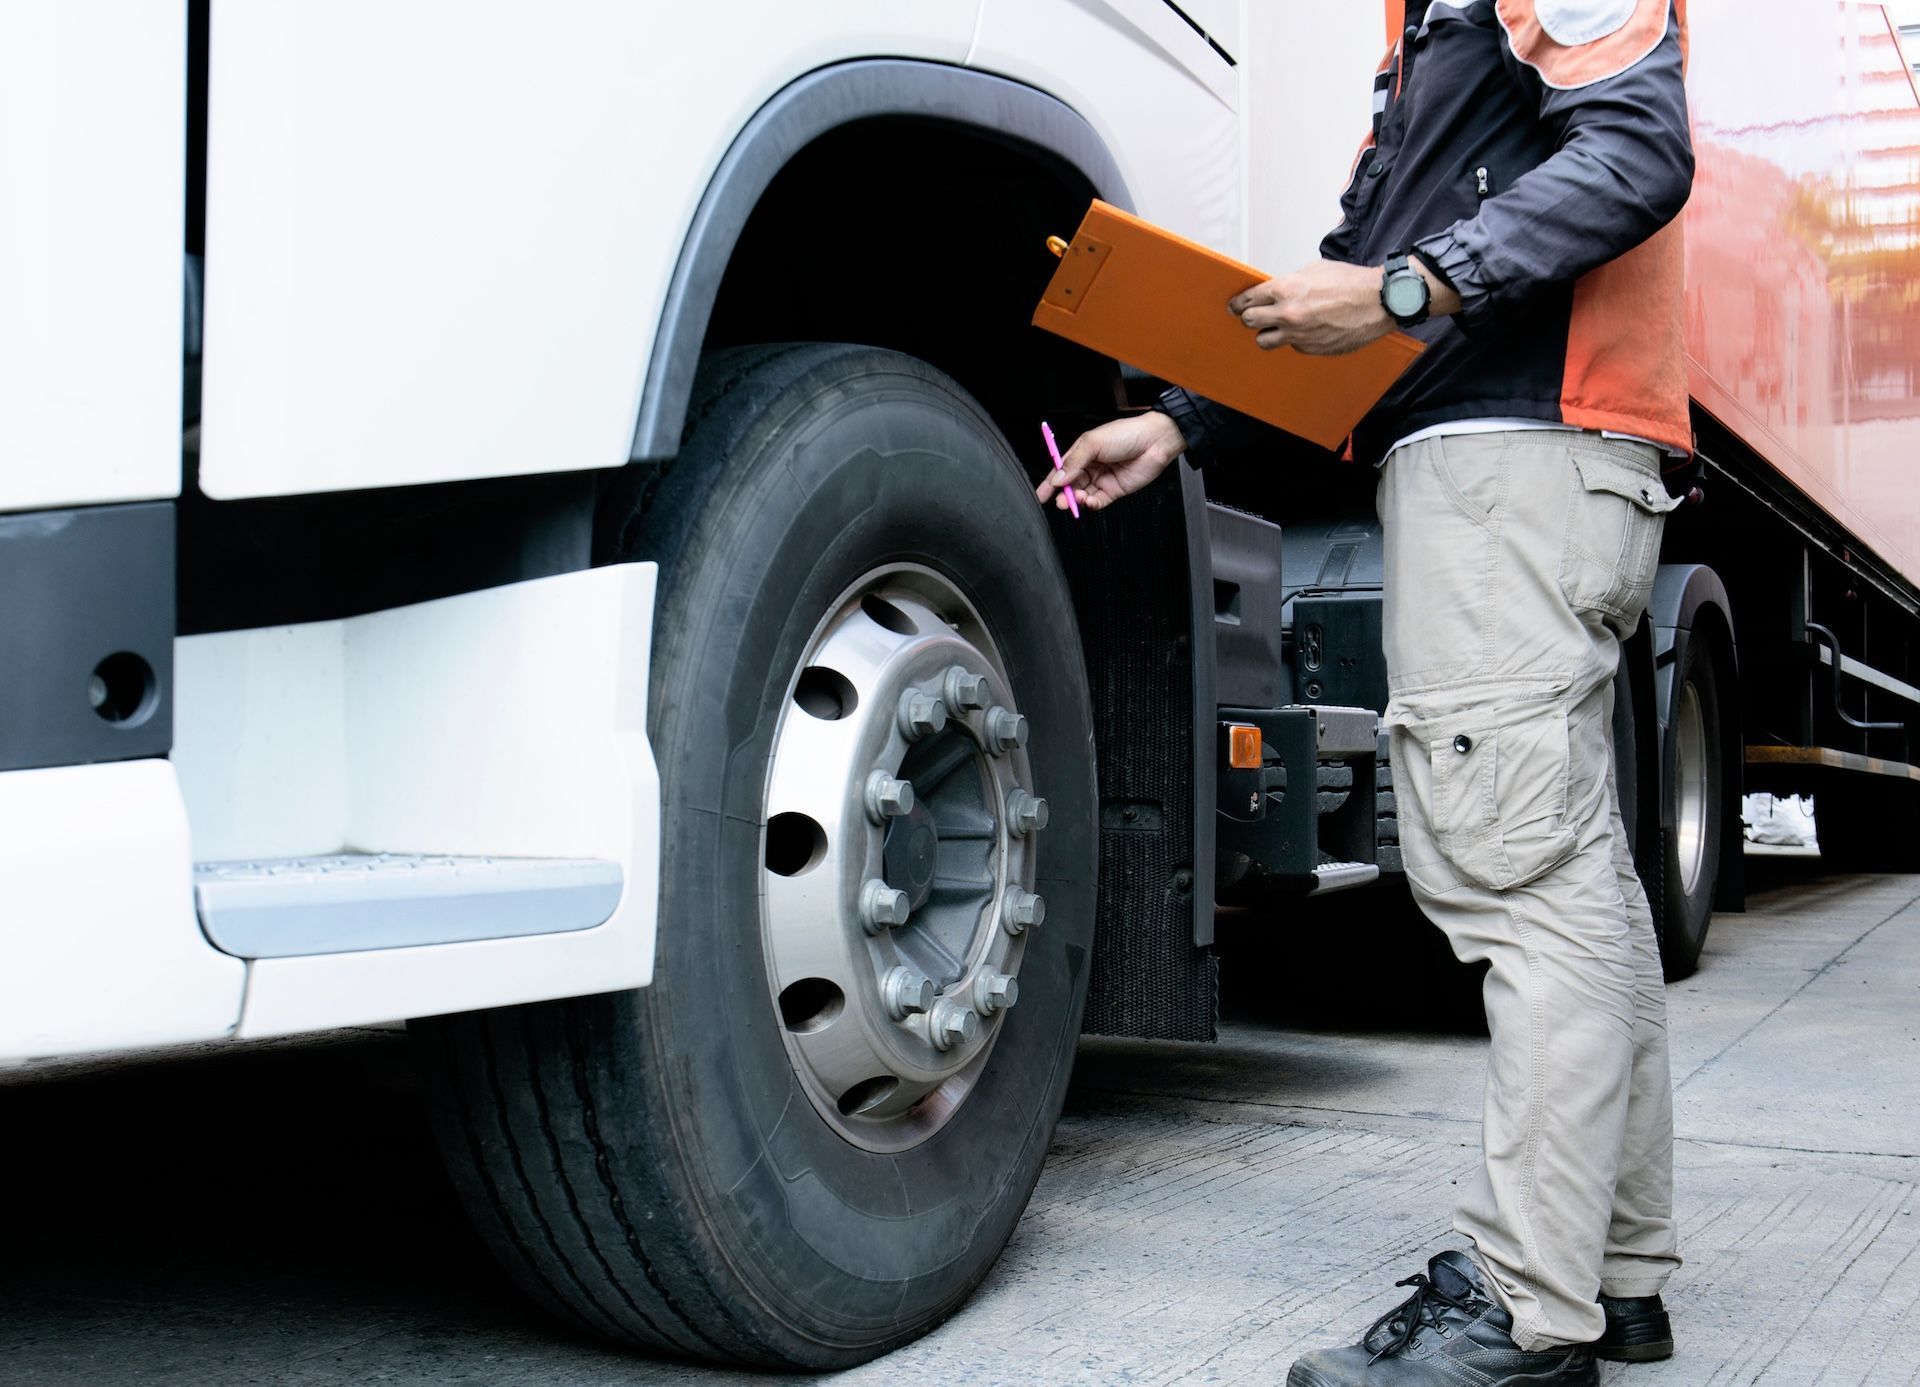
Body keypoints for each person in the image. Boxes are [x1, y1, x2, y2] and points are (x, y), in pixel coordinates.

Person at [1037, 3, 1695, 1384]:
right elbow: (1353, 279)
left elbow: (1638, 154)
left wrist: (1407, 289)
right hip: (1522, 470)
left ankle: (1529, 1314)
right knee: (1581, 879)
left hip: (1518, 465)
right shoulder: (1435, 29)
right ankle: (1610, 1274)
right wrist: (1179, 420)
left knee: (1523, 881)